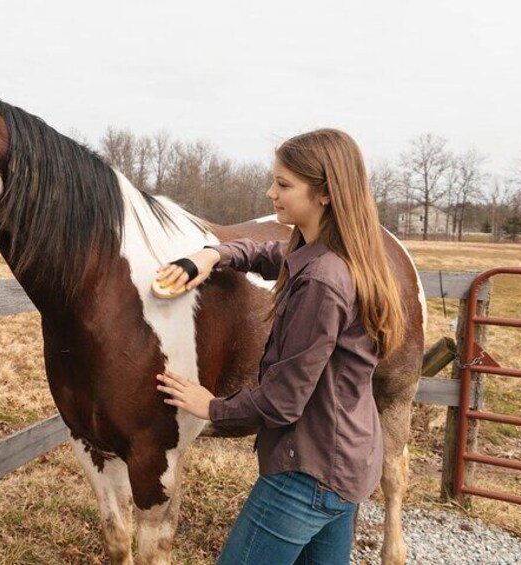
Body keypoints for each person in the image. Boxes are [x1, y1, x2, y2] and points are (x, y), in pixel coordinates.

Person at [154, 128, 405, 565]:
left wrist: (210, 406)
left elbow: (282, 402)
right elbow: (272, 253)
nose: (271, 192)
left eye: (284, 184)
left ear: (324, 192)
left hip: (305, 474)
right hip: (348, 464)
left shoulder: (322, 283)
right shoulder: (340, 254)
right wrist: (214, 255)